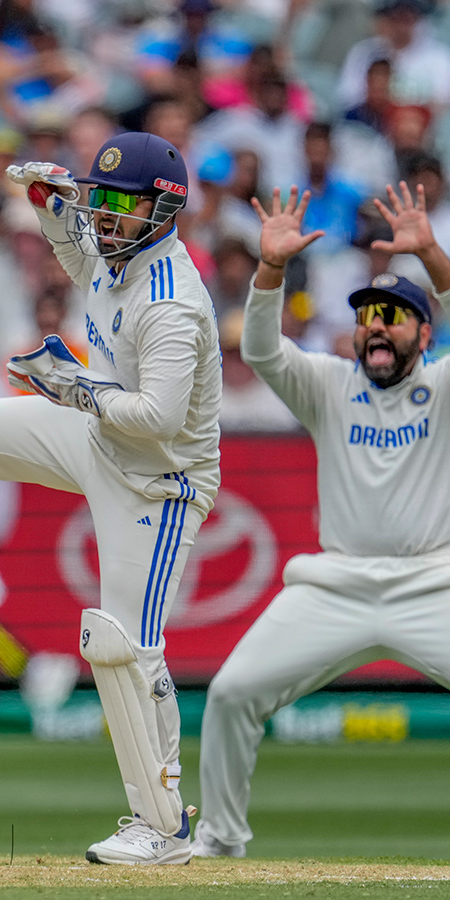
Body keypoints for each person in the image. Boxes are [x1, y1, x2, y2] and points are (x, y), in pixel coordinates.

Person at [0, 131, 222, 865]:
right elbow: (84, 260)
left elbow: (159, 418)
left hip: (158, 480)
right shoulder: (117, 257)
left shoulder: (173, 302)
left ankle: (163, 826)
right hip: (94, 435)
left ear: (165, 207)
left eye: (121, 202)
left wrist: (74, 385)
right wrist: (52, 208)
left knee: (122, 646)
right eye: (100, 198)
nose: (106, 214)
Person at [195, 183, 450, 858]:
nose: (378, 326)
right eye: (370, 314)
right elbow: (261, 352)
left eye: (396, 316)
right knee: (230, 695)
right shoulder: (331, 384)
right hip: (333, 586)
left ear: (425, 332)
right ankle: (219, 840)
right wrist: (271, 268)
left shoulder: (444, 387)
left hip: (433, 585)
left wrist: (433, 255)